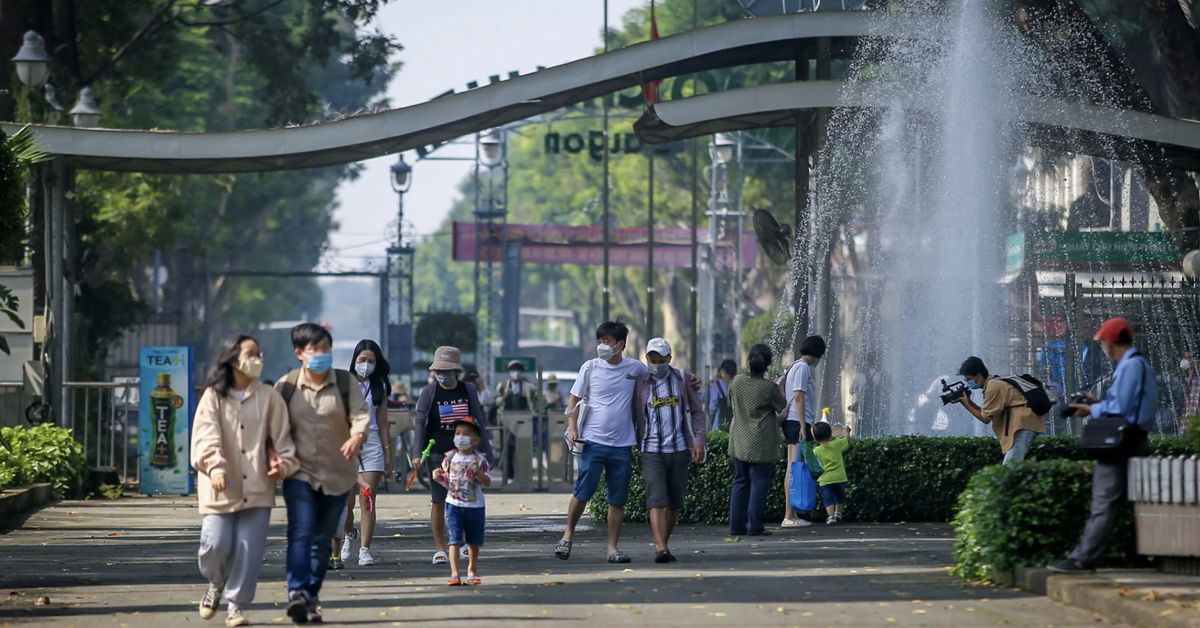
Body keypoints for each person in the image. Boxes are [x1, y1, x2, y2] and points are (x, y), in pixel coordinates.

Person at [192, 335, 298, 627]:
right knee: (216, 543)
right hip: (220, 486)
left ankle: (235, 606)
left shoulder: (269, 396)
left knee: (248, 549)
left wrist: (282, 463)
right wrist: (215, 467)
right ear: (233, 359)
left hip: (258, 485)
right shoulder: (213, 396)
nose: (257, 359)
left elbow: (283, 440)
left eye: (259, 353)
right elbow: (205, 436)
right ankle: (215, 583)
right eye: (251, 354)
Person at [275, 323, 371, 624]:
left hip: (337, 475)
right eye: (315, 349)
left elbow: (360, 415)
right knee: (300, 533)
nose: (321, 354)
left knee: (322, 539)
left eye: (326, 349)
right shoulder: (287, 385)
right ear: (300, 353)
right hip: (298, 474)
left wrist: (357, 436)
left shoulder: (345, 383)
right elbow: (273, 427)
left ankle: (311, 595)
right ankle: (297, 593)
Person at [1050, 318, 1156, 573]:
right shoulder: (1132, 365)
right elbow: (1125, 404)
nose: (1102, 347)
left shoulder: (1131, 366)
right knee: (1127, 502)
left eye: (1102, 342)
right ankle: (1138, 556)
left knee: (1103, 501)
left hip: (1123, 441)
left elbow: (1120, 408)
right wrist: (1096, 403)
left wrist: (1090, 408)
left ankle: (1082, 559)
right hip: (1131, 438)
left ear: (1109, 342)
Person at [558, 321, 644, 563]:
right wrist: (572, 428)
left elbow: (661, 374)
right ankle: (568, 535)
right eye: (599, 341)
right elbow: (572, 403)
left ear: (621, 345)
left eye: (606, 341)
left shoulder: (636, 369)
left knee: (617, 498)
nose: (601, 345)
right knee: (583, 492)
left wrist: (689, 380)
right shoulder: (590, 367)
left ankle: (612, 548)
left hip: (623, 444)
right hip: (593, 442)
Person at [412, 346, 494, 566]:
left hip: (466, 453)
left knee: (466, 499)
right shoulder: (429, 392)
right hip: (437, 453)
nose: (443, 374)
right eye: (439, 369)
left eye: (447, 370)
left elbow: (479, 421)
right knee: (439, 501)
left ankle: (465, 543)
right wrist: (416, 454)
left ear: (456, 370)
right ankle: (440, 549)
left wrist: (487, 453)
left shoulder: (467, 390)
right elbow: (420, 424)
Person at [632, 338, 706, 563]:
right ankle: (661, 547)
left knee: (674, 502)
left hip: (679, 448)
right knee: (657, 499)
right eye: (653, 360)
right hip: (651, 448)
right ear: (647, 359)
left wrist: (699, 440)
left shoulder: (682, 379)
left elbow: (696, 411)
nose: (657, 364)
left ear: (669, 359)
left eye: (661, 360)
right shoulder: (640, 382)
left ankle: (664, 543)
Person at [332, 340, 394, 568]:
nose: (365, 365)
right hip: (347, 445)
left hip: (372, 444)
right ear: (354, 360)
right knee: (346, 504)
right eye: (362, 360)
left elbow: (384, 423)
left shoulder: (380, 388)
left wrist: (388, 454)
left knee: (367, 499)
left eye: (371, 361)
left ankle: (365, 550)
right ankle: (349, 535)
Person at [727, 344, 788, 537]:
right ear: (768, 364)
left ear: (749, 361)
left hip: (739, 440)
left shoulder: (736, 381)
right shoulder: (769, 388)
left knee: (740, 481)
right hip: (761, 442)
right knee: (759, 482)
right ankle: (754, 525)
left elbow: (731, 403)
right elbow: (782, 408)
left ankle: (736, 526)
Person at [432, 416, 491, 586]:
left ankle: (472, 570)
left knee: (473, 541)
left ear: (476, 440)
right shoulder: (449, 458)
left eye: (466, 434)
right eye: (458, 433)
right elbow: (448, 483)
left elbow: (487, 482)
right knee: (454, 539)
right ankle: (455, 573)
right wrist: (439, 477)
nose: (460, 437)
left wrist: (477, 473)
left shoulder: (479, 460)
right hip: (454, 505)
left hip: (475, 506)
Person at [954, 356, 1047, 463]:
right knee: (1016, 465)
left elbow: (985, 419)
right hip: (1023, 425)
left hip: (1023, 425)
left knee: (1010, 466)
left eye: (969, 379)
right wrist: (968, 402)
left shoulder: (993, 387)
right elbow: (987, 413)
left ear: (979, 376)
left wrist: (966, 404)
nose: (968, 383)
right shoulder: (994, 384)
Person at [782, 336, 825, 527]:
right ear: (817, 352)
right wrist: (802, 425)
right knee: (793, 467)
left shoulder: (797, 366)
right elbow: (799, 397)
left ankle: (790, 514)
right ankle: (789, 516)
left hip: (795, 421)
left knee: (793, 467)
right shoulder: (803, 367)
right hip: (796, 421)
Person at [497, 360, 545, 482]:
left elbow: (541, 399)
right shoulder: (502, 386)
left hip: (524, 422)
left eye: (518, 370)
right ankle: (508, 476)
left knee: (523, 450)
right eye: (513, 370)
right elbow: (495, 402)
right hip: (506, 423)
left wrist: (537, 411)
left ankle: (523, 476)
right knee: (507, 450)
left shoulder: (528, 388)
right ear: (509, 372)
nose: (516, 373)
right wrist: (504, 397)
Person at [812, 421, 851, 524]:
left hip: (825, 479)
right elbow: (847, 441)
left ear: (815, 438)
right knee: (840, 496)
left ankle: (831, 516)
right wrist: (847, 432)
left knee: (828, 499)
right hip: (840, 477)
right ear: (830, 434)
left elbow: (814, 465)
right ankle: (838, 513)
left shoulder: (816, 450)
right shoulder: (837, 444)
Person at [707, 359, 737, 431]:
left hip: (720, 426)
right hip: (736, 427)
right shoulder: (738, 385)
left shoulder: (717, 386)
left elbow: (712, 408)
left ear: (723, 371)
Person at [1182, 352, 1198, 434]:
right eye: (1184, 357)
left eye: (1188, 358)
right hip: (1187, 423)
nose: (1185, 360)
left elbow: (1196, 403)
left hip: (1194, 424)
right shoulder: (1190, 378)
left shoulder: (1197, 379)